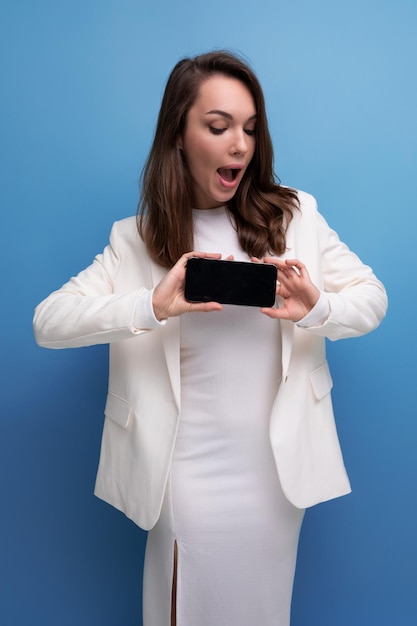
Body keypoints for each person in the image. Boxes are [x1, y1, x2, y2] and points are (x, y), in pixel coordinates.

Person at [33, 50, 388, 626]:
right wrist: (153, 305)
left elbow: (371, 298)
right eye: (218, 127)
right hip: (183, 476)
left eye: (250, 129)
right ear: (179, 133)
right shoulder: (137, 239)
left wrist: (314, 307)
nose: (239, 146)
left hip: (274, 479)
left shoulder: (295, 216)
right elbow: (47, 323)